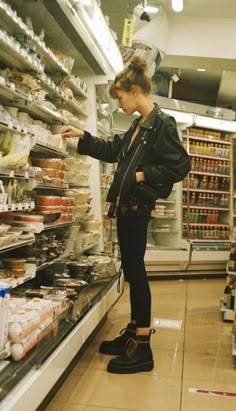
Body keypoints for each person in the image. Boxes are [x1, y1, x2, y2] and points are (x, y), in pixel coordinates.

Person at [60, 57, 191, 374]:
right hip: (127, 207)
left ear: (135, 91)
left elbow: (181, 165)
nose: (118, 104)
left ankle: (143, 348)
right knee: (132, 271)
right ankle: (133, 333)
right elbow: (113, 150)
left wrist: (143, 176)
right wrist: (82, 136)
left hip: (138, 207)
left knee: (137, 272)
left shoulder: (162, 124)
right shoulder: (139, 126)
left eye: (120, 97)